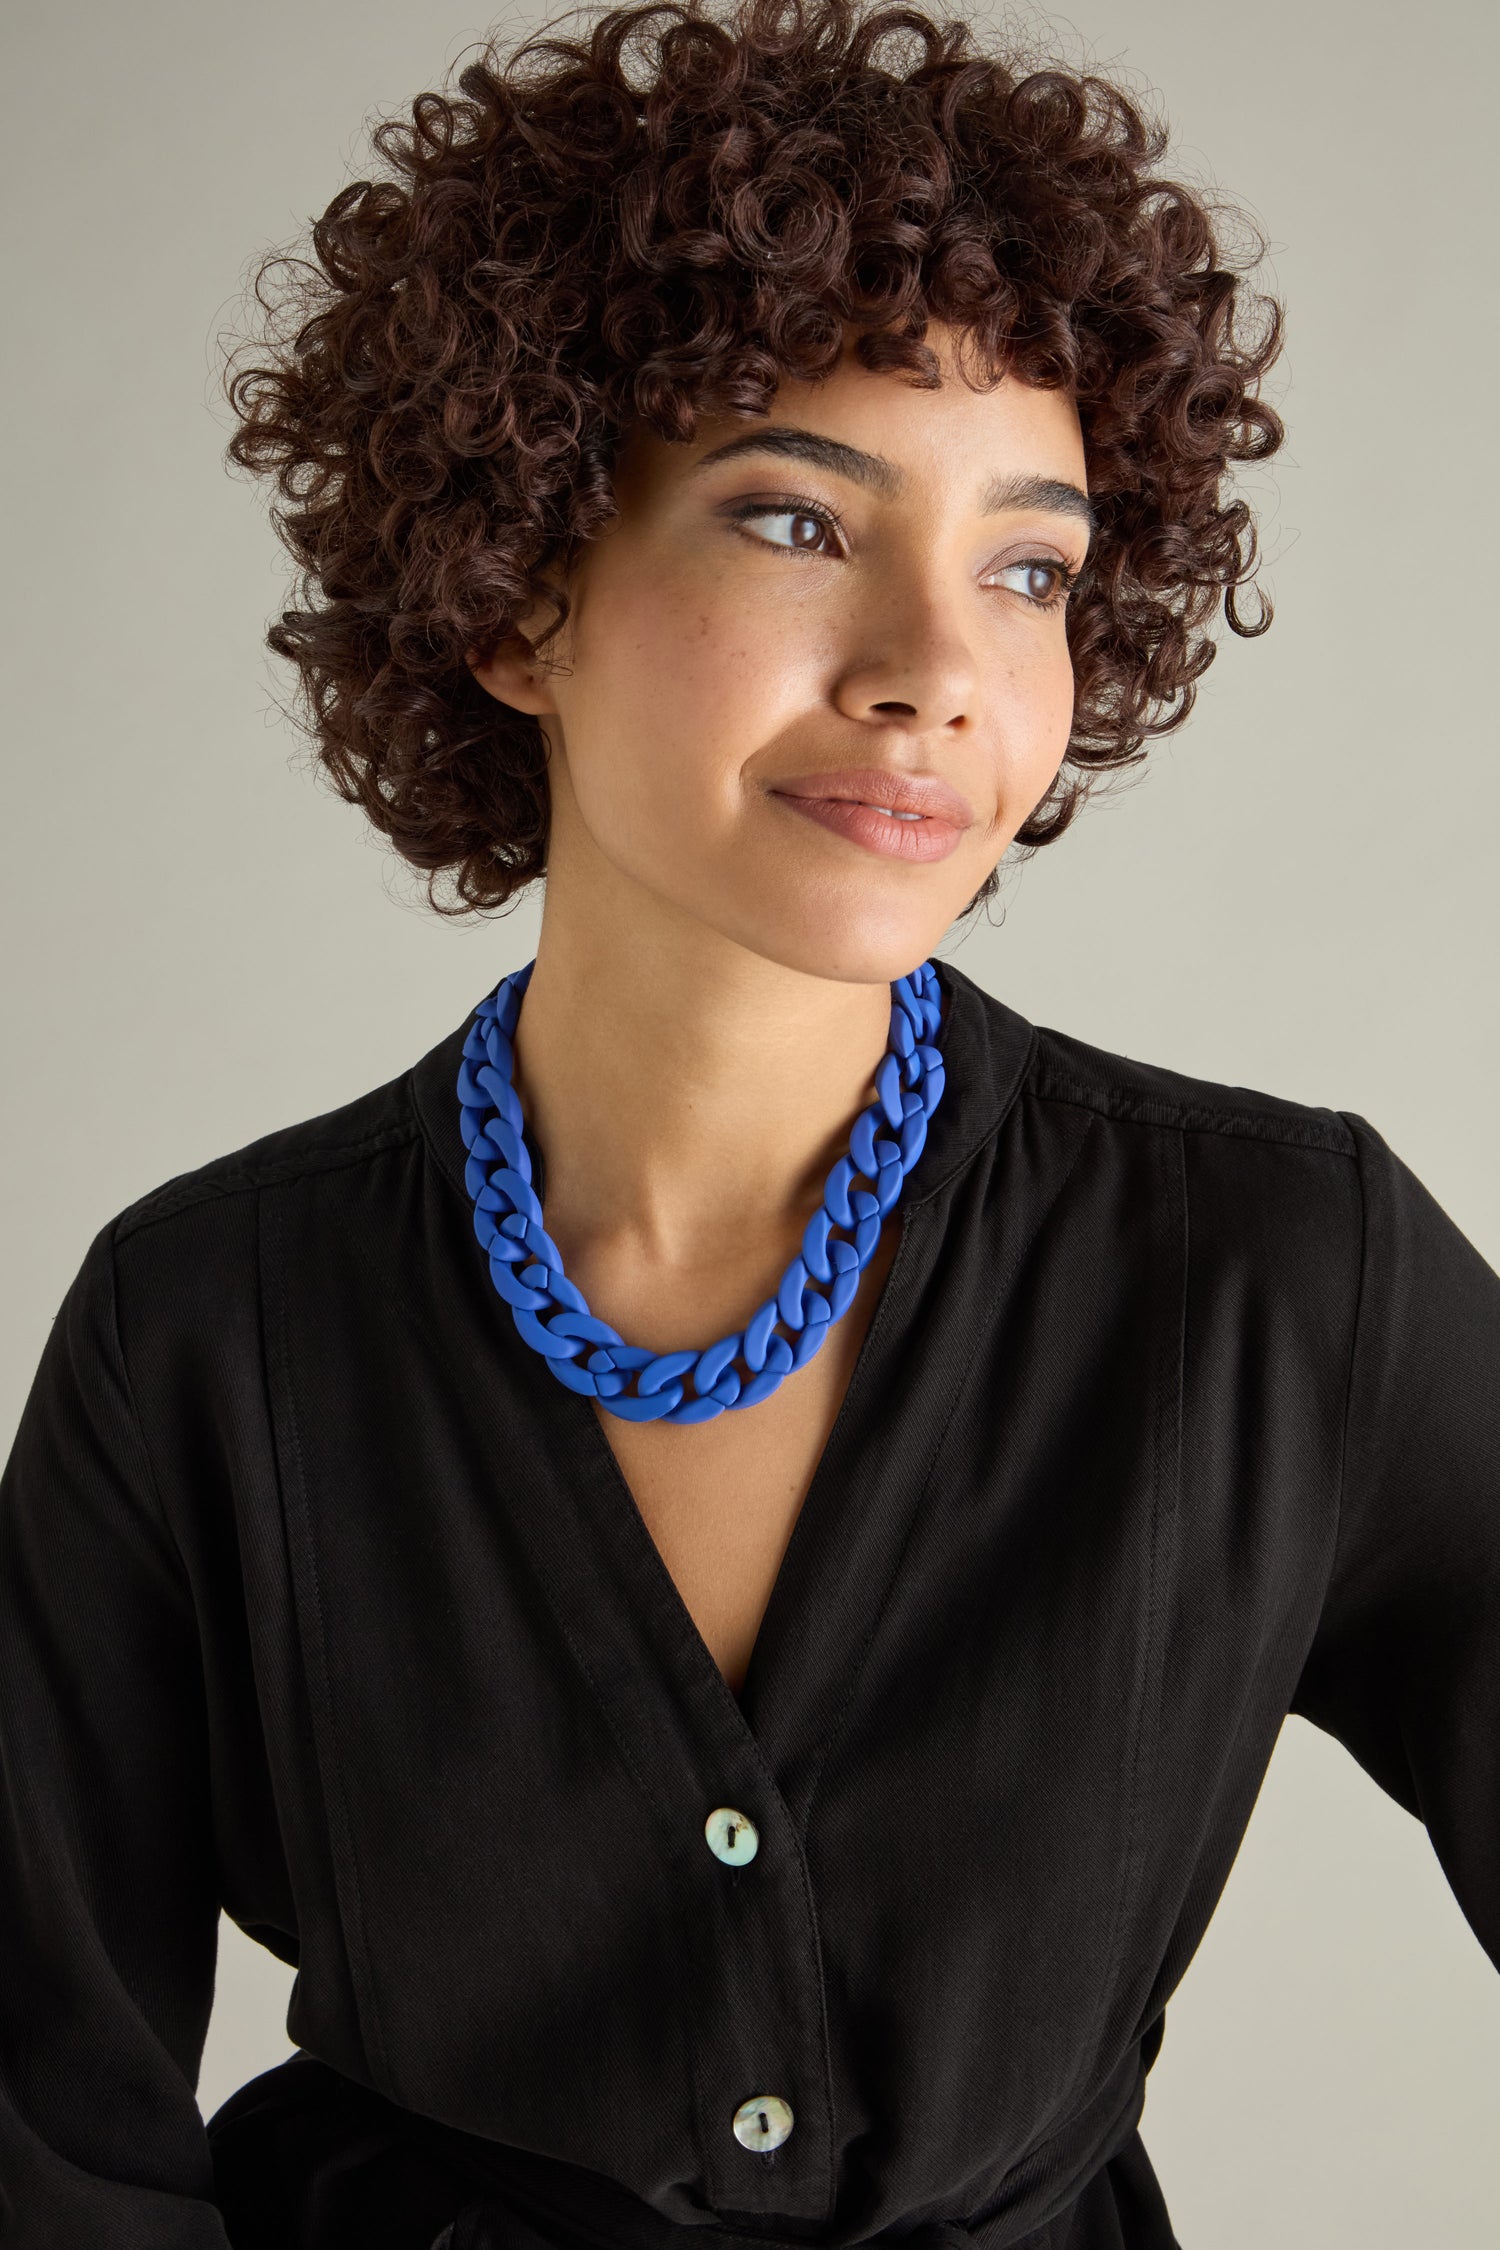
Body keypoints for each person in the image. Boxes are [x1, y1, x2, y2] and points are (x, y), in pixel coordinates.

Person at [1, 0, 1496, 2244]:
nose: (938, 665)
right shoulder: (210, 1324)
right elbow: (44, 2122)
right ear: (518, 589)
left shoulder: (1288, 1275)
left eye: (1030, 566)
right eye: (797, 516)